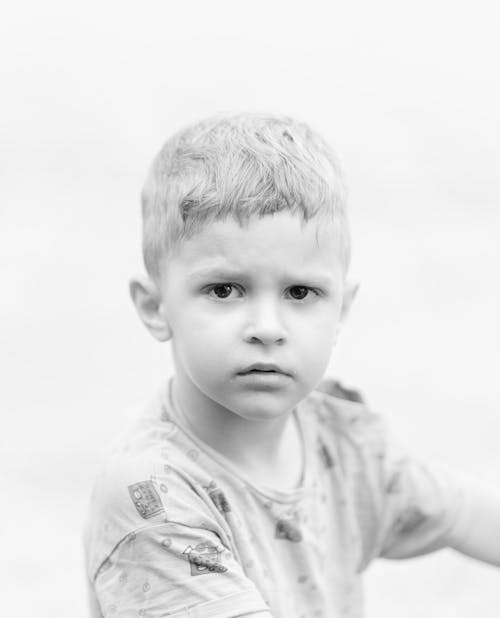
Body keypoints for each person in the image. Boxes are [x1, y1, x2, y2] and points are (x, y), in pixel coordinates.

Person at [84, 113, 500, 618]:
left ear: (341, 309)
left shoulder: (341, 441)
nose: (267, 326)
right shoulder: (154, 499)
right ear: (155, 306)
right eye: (224, 290)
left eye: (300, 292)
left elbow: (466, 513)